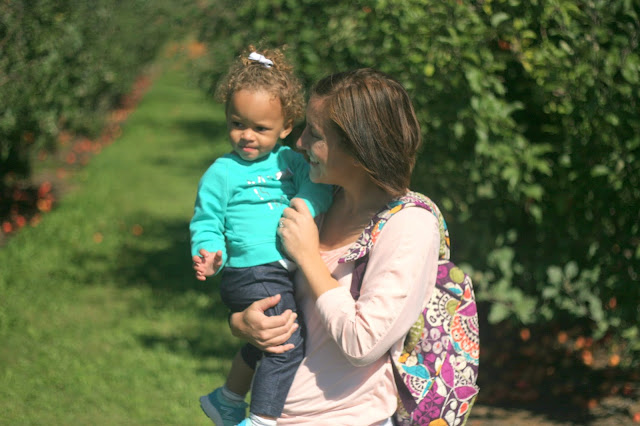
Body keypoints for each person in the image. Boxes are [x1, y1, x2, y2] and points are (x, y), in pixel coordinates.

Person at [227, 68, 442, 425]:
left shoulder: (409, 226)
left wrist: (308, 257)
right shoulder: (319, 202)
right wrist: (242, 324)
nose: (299, 142)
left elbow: (364, 343)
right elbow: (271, 289)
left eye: (315, 133)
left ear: (358, 148)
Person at [189, 47, 333, 426]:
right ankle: (262, 420)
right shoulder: (221, 172)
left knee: (267, 338)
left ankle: (227, 400)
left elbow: (318, 188)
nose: (247, 136)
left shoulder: (290, 161)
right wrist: (210, 252)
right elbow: (207, 220)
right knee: (286, 344)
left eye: (261, 128)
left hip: (276, 270)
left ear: (286, 128)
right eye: (238, 123)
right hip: (252, 270)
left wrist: (303, 207)